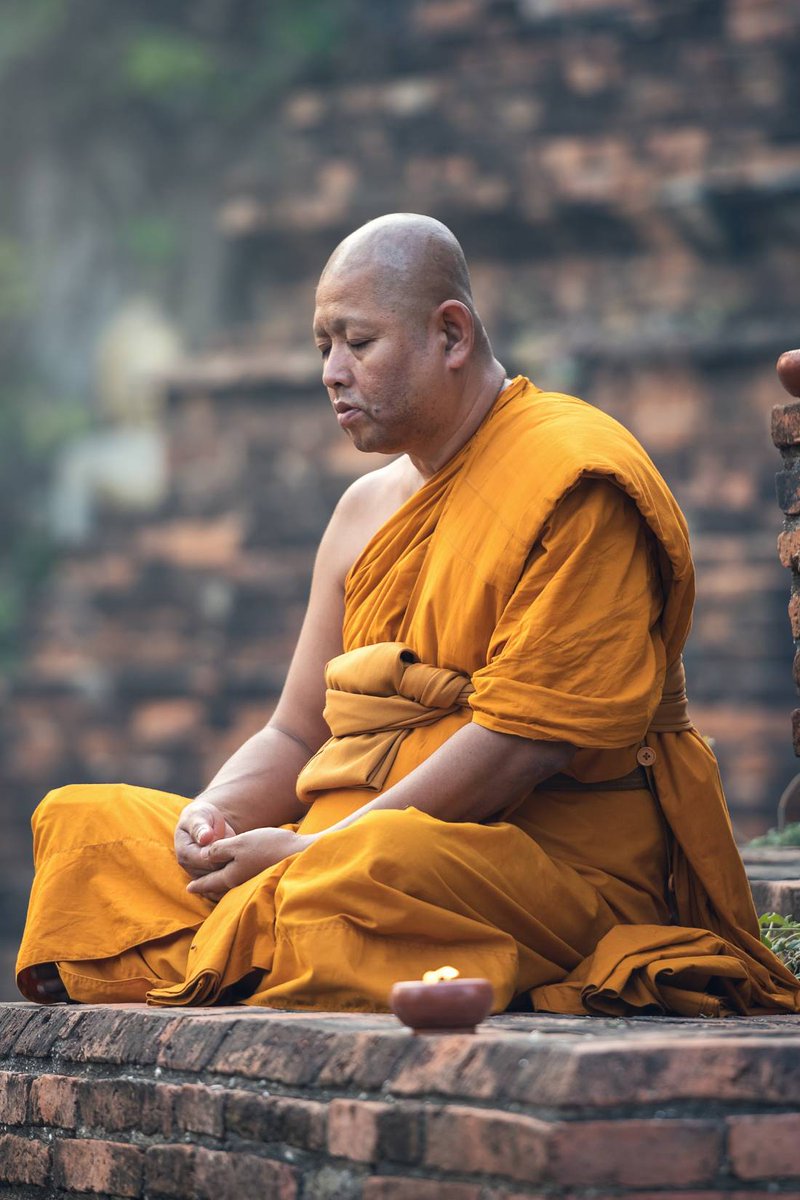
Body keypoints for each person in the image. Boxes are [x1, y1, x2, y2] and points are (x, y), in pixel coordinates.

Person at [17, 214, 800, 1016]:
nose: (331, 371)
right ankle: (252, 927)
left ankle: (237, 936)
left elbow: (522, 745)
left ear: (451, 335)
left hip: (527, 862)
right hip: (339, 844)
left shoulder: (573, 480)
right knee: (83, 826)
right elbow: (296, 732)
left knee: (363, 878)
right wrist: (214, 823)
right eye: (322, 345)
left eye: (357, 342)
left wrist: (316, 850)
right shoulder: (363, 510)